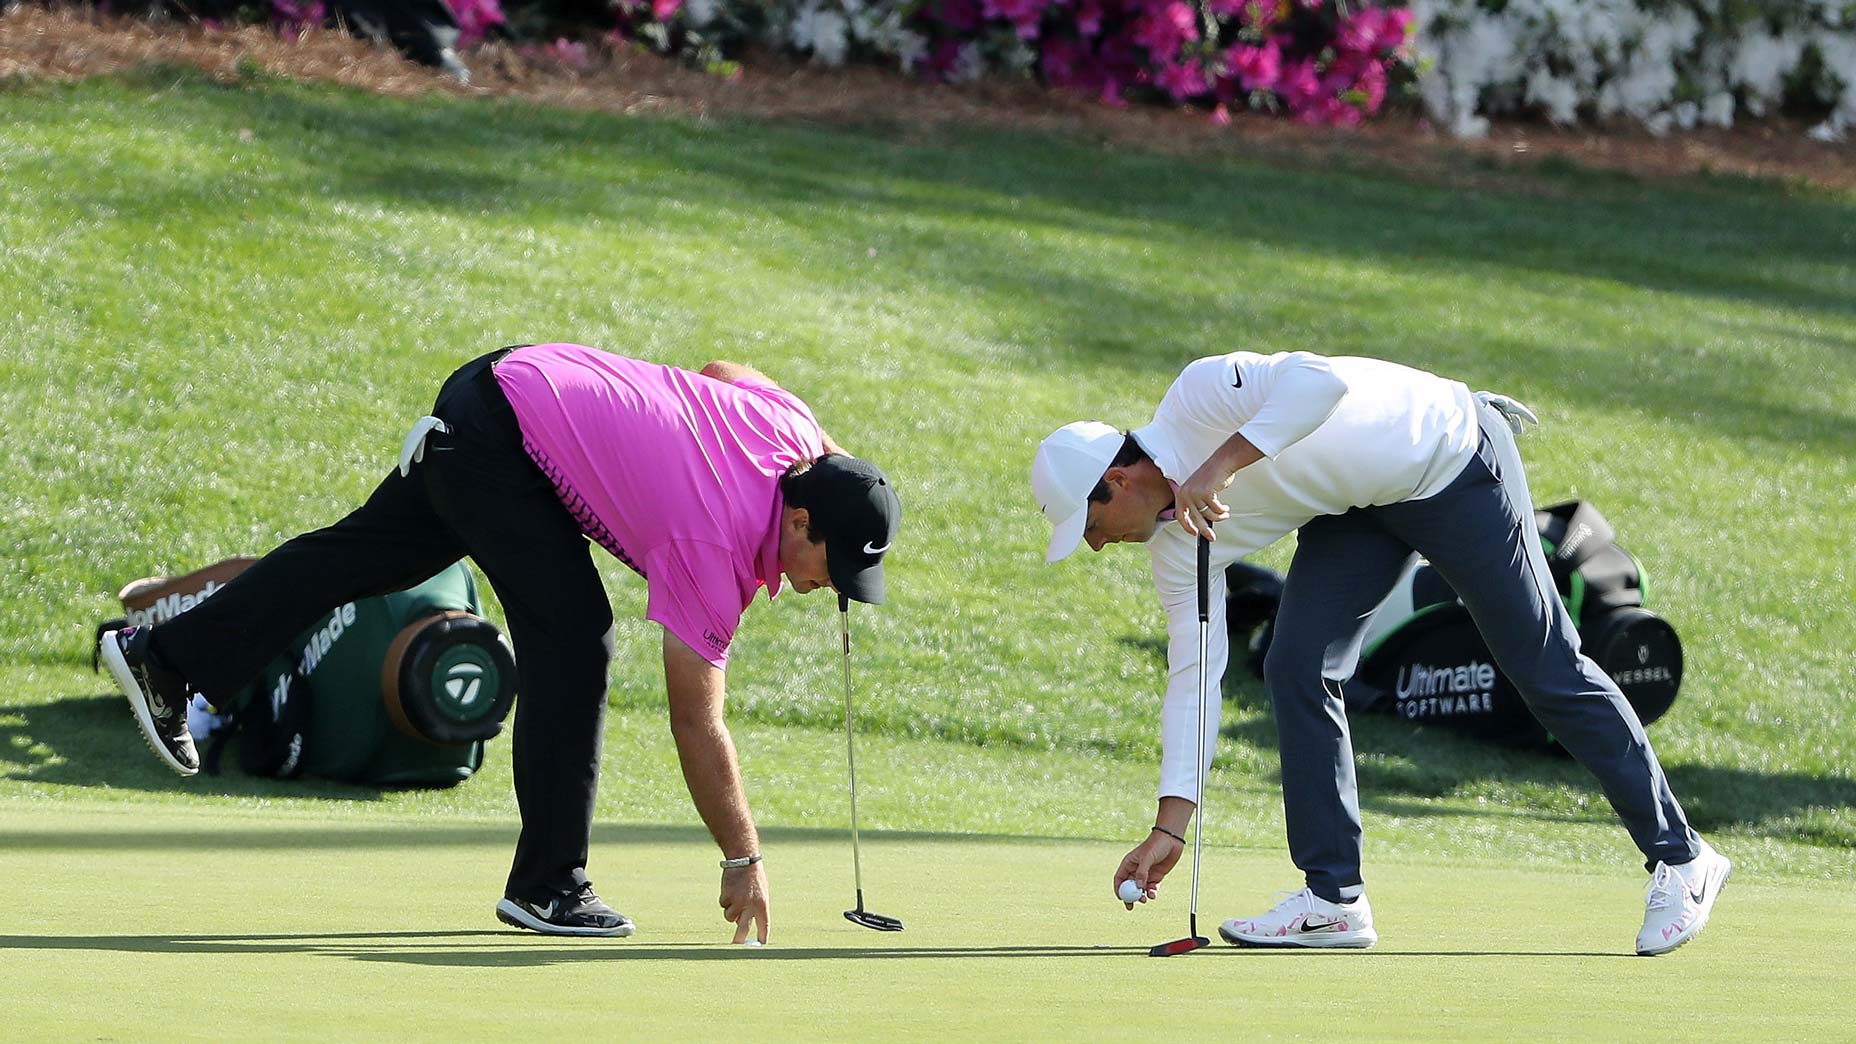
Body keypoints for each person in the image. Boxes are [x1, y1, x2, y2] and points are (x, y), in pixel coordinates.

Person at [101, 343, 901, 945]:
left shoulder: (797, 435)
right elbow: (697, 721)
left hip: (502, 390)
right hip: (503, 436)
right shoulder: (713, 546)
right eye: (835, 567)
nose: (832, 587)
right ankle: (550, 884)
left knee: (357, 559)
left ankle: (164, 660)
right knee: (578, 637)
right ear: (798, 521)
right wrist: (743, 858)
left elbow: (725, 370)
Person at [1031, 350, 1728, 956]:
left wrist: (1216, 468)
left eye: (1089, 527)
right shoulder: (1175, 549)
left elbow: (1318, 384)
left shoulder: (1198, 395)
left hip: (1445, 455)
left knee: (1542, 666)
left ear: (1117, 482)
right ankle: (1334, 899)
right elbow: (1194, 680)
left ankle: (1683, 857)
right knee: (1296, 663)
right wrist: (1168, 826)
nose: (1094, 546)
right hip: (1359, 510)